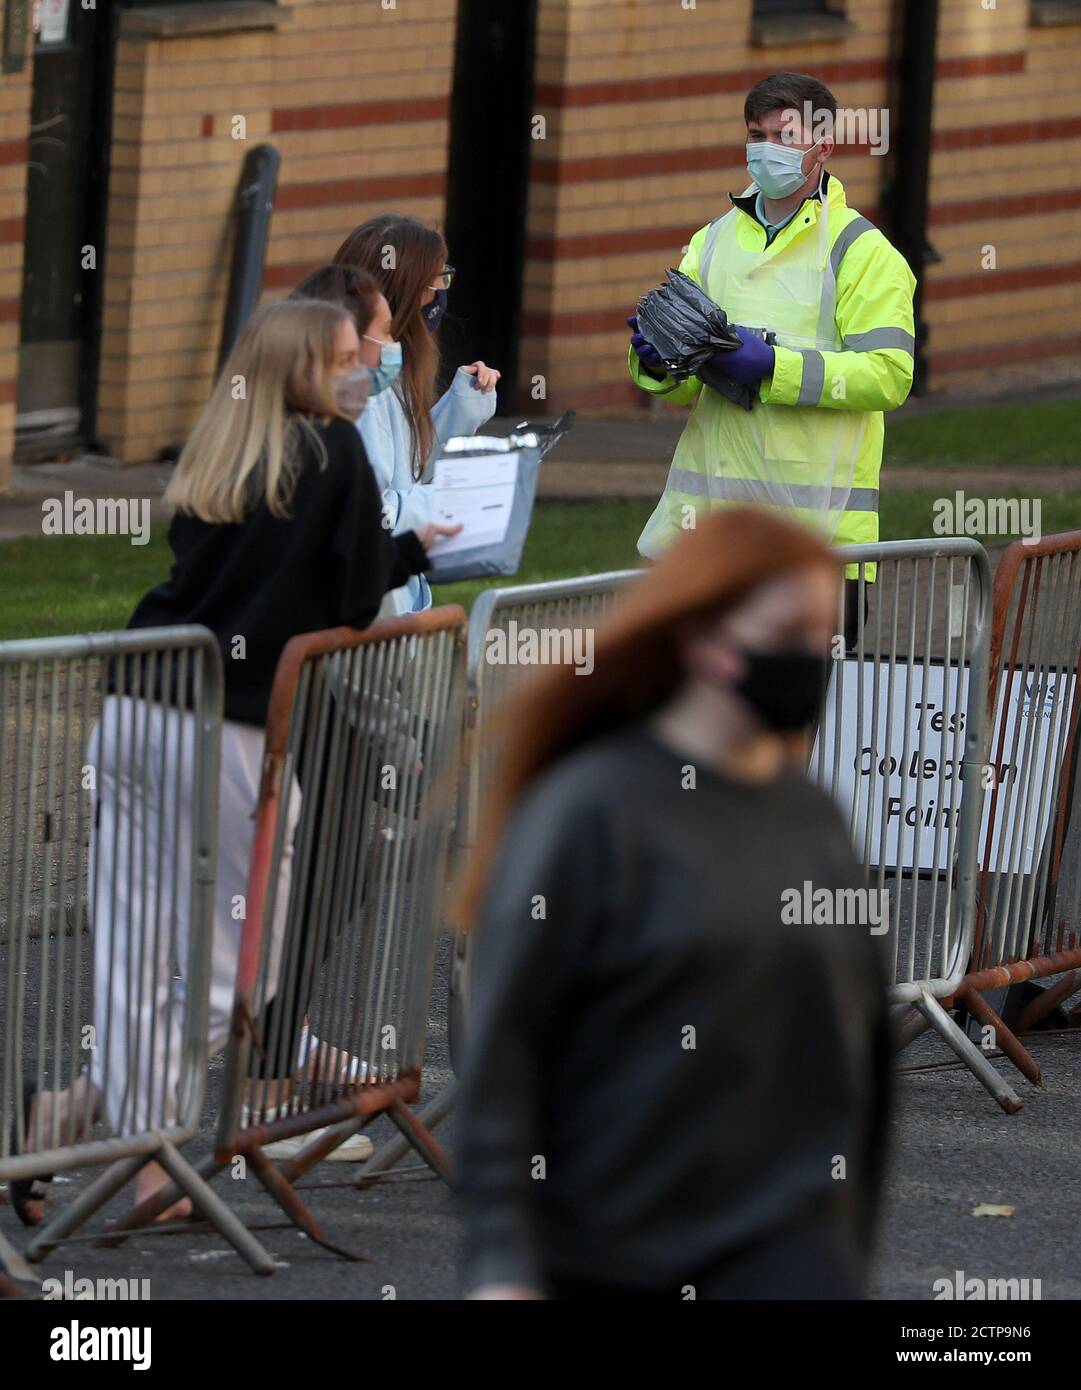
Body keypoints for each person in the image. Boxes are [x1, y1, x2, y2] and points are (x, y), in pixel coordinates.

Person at [12, 297, 457, 1226]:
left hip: (139, 706)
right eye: (344, 353)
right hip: (228, 729)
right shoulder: (330, 450)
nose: (360, 367)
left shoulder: (226, 449)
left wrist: (394, 548)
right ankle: (134, 1153)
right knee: (231, 982)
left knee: (136, 960)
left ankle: (104, 1142)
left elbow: (267, 567)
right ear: (304, 367)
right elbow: (347, 594)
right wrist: (413, 552)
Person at [455, 507, 892, 1300]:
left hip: (783, 1261)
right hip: (611, 1254)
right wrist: (502, 1269)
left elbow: (859, 1067)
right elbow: (506, 1059)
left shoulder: (815, 821)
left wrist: (841, 1252)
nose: (814, 657)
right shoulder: (589, 813)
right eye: (791, 630)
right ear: (704, 639)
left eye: (827, 633)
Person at [629, 71, 916, 641]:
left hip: (817, 543)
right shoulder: (711, 240)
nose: (765, 151)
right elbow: (684, 386)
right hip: (709, 539)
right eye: (756, 135)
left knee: (806, 725)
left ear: (823, 147)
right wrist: (657, 366)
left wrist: (774, 369)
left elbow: (889, 375)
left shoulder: (862, 252)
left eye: (783, 136)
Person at [332, 214, 501, 615]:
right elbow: (377, 511)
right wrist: (458, 498)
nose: (443, 292)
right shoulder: (362, 392)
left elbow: (410, 470)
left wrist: (460, 409)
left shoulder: (390, 377)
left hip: (391, 595)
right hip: (374, 611)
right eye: (435, 280)